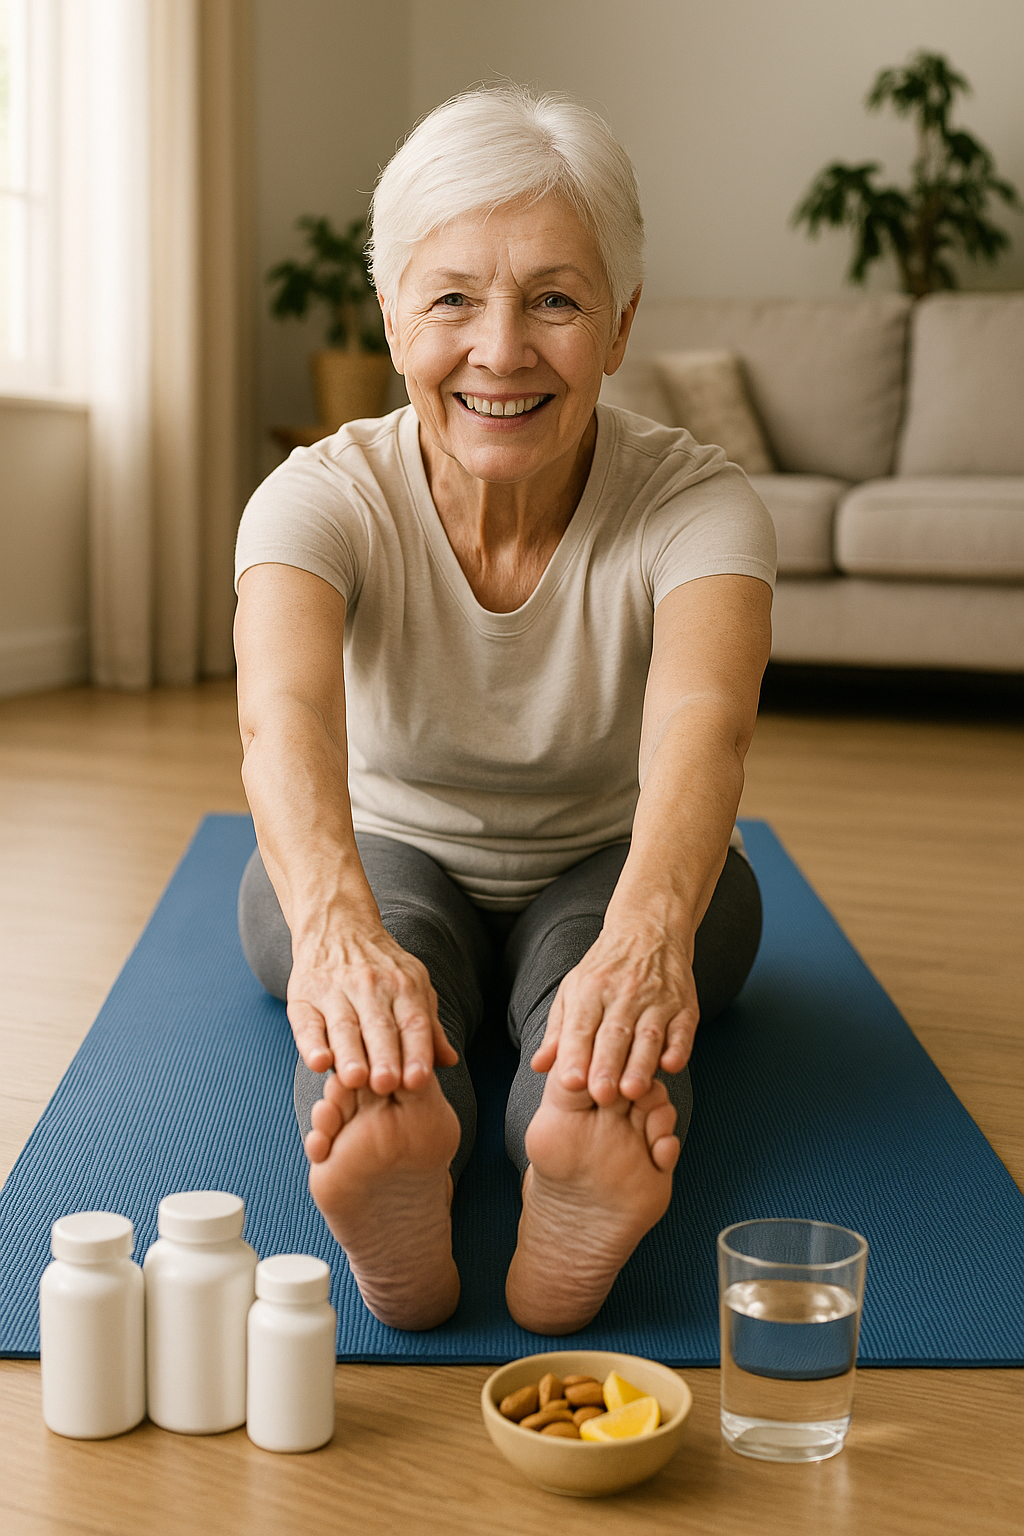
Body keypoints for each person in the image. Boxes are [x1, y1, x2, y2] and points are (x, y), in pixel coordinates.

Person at [234, 85, 776, 1337]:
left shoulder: (702, 506)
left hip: (617, 857)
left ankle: (573, 1151)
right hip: (385, 844)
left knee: (600, 1009)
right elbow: (285, 723)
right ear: (389, 317)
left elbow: (709, 726)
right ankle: (395, 1137)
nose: (501, 348)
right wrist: (336, 935)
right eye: (453, 298)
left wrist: (645, 941)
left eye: (554, 298)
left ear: (622, 322)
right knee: (387, 965)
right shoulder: (313, 501)